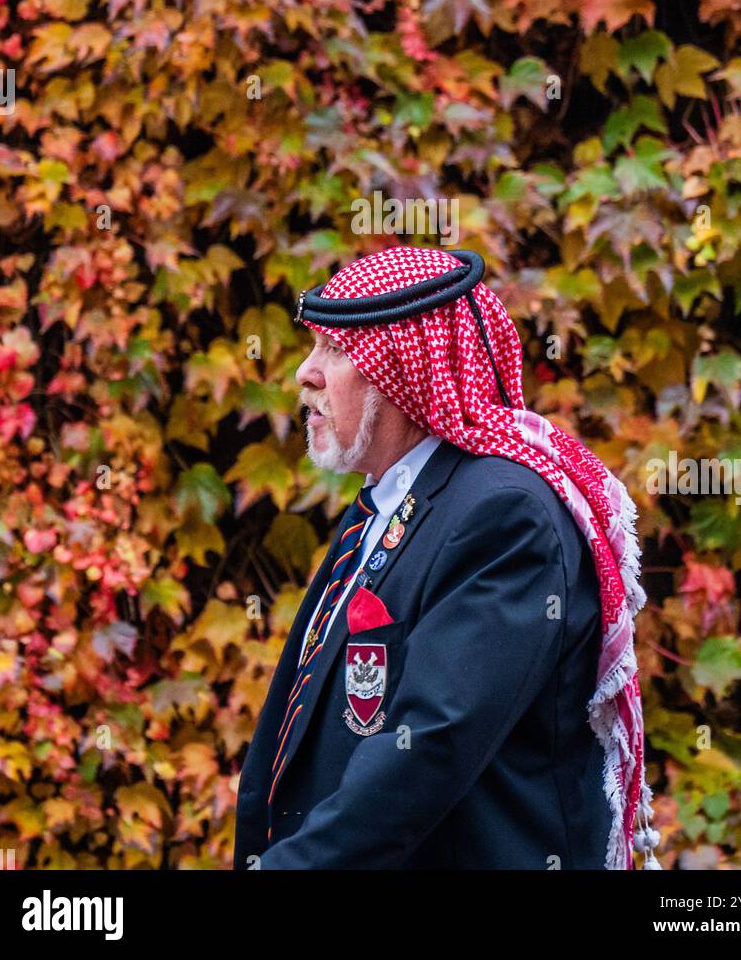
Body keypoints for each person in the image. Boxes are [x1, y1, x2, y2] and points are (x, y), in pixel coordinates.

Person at [233, 247, 660, 870]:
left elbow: (426, 752)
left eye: (336, 350)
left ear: (402, 371)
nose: (306, 372)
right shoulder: (387, 502)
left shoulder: (506, 517)